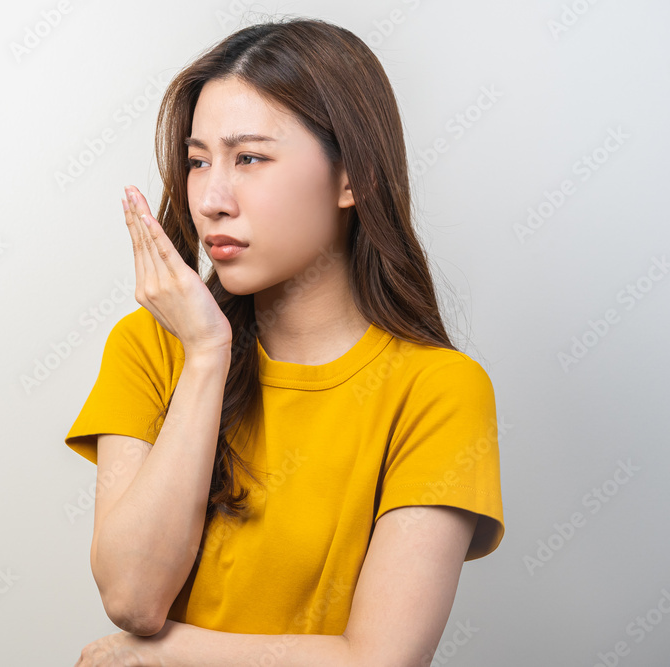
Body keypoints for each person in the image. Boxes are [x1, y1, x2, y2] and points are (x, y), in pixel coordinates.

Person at [66, 16, 505, 666]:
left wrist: (163, 655)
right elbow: (132, 596)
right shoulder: (151, 346)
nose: (211, 198)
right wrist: (208, 356)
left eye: (249, 158)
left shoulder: (438, 391)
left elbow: (379, 660)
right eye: (196, 161)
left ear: (353, 177)